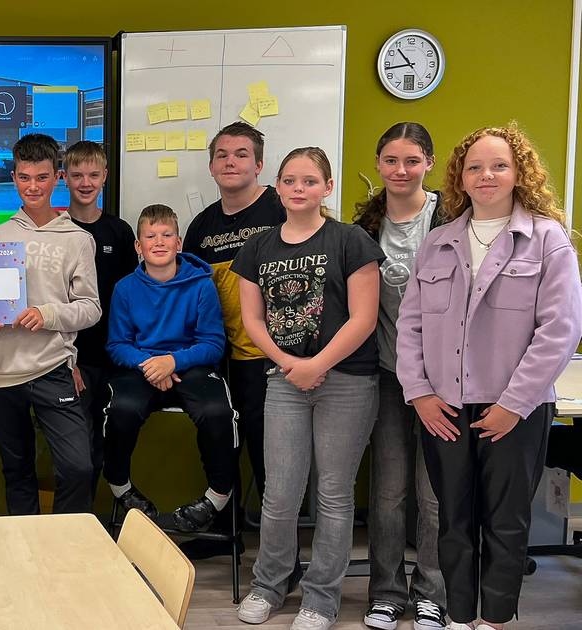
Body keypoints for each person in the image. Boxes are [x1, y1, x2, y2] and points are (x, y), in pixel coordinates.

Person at [397, 125, 582, 630]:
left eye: (499, 165)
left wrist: (513, 404)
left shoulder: (547, 239)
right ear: (460, 176)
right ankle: (460, 616)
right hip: (443, 407)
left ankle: (495, 620)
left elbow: (561, 330)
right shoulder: (438, 242)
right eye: (475, 166)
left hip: (515, 409)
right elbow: (410, 326)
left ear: (520, 173)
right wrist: (420, 393)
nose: (486, 175)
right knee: (452, 519)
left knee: (506, 520)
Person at [232, 147, 385, 630]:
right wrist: (289, 364)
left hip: (348, 381)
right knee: (280, 492)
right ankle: (269, 585)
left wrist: (317, 364)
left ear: (327, 188)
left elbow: (364, 318)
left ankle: (321, 597)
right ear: (277, 187)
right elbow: (253, 320)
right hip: (283, 380)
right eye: (290, 180)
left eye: (310, 181)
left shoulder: (351, 240)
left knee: (334, 494)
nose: (299, 189)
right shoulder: (257, 247)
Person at [0, 133, 101, 515]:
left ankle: (62, 542)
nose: (33, 186)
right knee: (17, 472)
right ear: (14, 177)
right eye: (25, 177)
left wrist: (47, 314)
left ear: (57, 177)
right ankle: (26, 547)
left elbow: (91, 308)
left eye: (42, 177)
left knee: (78, 468)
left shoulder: (78, 239)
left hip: (51, 367)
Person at [353, 122, 448, 630]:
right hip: (389, 375)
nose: (401, 170)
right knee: (389, 491)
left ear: (428, 163)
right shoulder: (365, 227)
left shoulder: (452, 218)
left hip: (444, 380)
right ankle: (386, 593)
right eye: (391, 160)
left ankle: (432, 591)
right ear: (378, 163)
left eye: (412, 160)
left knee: (434, 493)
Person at [104, 203, 238, 533]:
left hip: (191, 364)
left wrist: (172, 362)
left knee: (217, 413)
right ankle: (121, 487)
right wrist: (152, 366)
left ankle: (217, 497)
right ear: (139, 246)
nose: (159, 242)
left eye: (166, 235)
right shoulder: (125, 288)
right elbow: (117, 345)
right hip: (143, 366)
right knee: (121, 410)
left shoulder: (201, 285)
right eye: (151, 236)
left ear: (179, 243)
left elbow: (213, 343)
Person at [183, 122, 285, 507]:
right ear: (211, 166)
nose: (230, 162)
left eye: (241, 155)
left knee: (266, 449)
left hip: (270, 356)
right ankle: (228, 529)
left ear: (258, 165)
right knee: (220, 443)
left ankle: (278, 540)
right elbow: (189, 292)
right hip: (219, 354)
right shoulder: (201, 226)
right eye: (222, 155)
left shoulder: (282, 208)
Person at [61, 140, 138, 494]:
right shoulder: (58, 231)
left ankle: (98, 515)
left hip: (114, 356)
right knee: (77, 453)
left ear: (105, 176)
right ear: (64, 177)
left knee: (106, 444)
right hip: (72, 359)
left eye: (93, 175)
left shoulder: (119, 232)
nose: (85, 183)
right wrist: (68, 359)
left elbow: (131, 298)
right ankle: (76, 518)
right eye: (77, 175)